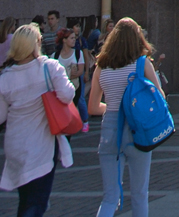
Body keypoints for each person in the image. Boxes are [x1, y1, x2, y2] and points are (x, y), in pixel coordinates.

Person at [89, 16, 164, 217]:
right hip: (137, 129)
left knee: (110, 197)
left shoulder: (101, 66)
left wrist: (114, 108)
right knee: (139, 194)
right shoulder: (142, 64)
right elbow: (160, 98)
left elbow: (93, 107)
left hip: (110, 129)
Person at [0, 23, 74, 217]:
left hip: (15, 145)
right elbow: (67, 95)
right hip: (41, 145)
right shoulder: (49, 67)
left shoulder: (5, 77)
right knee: (36, 202)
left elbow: (1, 115)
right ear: (36, 44)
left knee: (26, 199)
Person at [54, 27, 88, 132]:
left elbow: (79, 71)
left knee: (73, 108)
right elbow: (53, 75)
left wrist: (64, 75)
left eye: (74, 38)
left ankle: (77, 125)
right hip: (60, 89)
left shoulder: (78, 53)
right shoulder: (55, 56)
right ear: (64, 40)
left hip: (75, 87)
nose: (74, 40)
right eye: (71, 38)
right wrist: (69, 74)